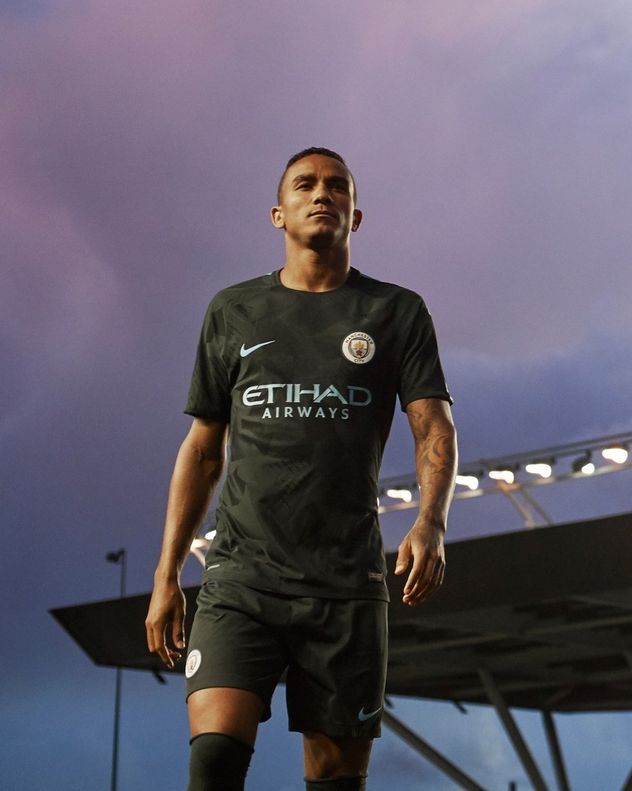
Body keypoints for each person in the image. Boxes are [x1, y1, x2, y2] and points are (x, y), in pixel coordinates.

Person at [145, 147, 458, 791]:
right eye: (305, 185)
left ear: (356, 215)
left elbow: (434, 426)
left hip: (345, 584)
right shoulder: (234, 310)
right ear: (278, 213)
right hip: (240, 580)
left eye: (337, 186)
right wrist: (166, 573)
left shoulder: (396, 311)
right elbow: (202, 450)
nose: (322, 194)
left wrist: (432, 520)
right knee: (214, 759)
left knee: (335, 781)